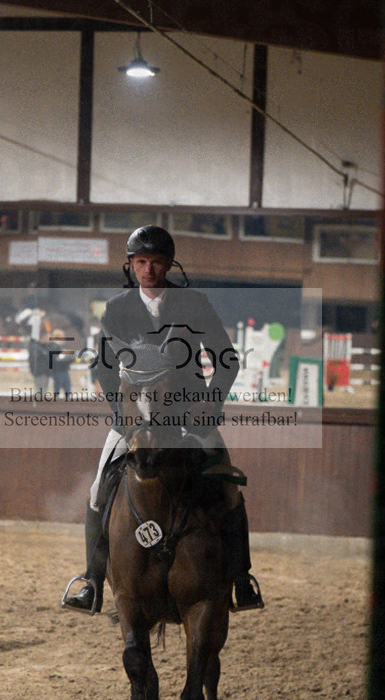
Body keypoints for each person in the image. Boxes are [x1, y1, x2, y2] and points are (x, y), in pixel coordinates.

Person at [62, 224, 263, 614]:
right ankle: (91, 581)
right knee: (97, 490)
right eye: (141, 262)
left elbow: (227, 359)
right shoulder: (118, 309)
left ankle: (241, 579)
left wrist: (211, 404)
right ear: (131, 265)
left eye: (156, 262)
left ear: (169, 264)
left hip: (188, 413)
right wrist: (119, 411)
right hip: (134, 415)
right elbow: (104, 368)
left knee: (228, 490)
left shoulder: (195, 304)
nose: (149, 270)